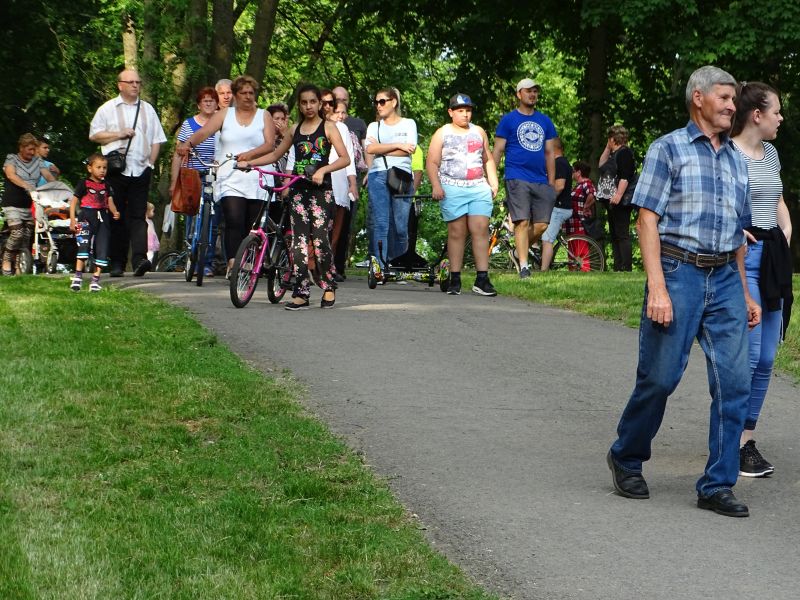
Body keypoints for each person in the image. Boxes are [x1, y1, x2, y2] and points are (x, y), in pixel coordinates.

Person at [606, 66, 761, 518]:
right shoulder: (667, 149)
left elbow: (737, 234)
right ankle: (626, 455)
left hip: (726, 277)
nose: (732, 106)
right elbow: (646, 220)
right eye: (725, 98)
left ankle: (717, 483)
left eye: (734, 99)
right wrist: (657, 287)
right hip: (679, 273)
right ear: (698, 98)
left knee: (735, 383)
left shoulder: (736, 159)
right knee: (659, 378)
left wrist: (745, 293)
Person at [238, 84, 350, 310]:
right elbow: (275, 155)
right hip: (298, 192)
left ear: (319, 104)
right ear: (299, 105)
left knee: (320, 242)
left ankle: (328, 286)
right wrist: (250, 163)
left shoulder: (328, 127)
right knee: (298, 243)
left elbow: (344, 158)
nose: (308, 106)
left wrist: (323, 170)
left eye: (312, 102)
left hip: (321, 193)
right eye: (304, 102)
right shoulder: (294, 130)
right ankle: (301, 292)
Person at [730, 81, 794, 477]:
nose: (781, 118)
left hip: (773, 257)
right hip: (743, 260)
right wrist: (735, 231)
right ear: (757, 115)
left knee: (768, 357)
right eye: (776, 111)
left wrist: (786, 230)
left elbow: (777, 199)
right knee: (750, 356)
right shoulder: (728, 153)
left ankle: (746, 438)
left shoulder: (771, 153)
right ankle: (733, 441)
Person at [177, 75, 275, 277]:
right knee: (233, 219)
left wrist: (250, 155)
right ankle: (233, 263)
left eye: (251, 93)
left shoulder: (264, 115)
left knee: (251, 225)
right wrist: (188, 144)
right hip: (230, 175)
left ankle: (247, 261)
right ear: (236, 95)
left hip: (256, 175)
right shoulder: (224, 115)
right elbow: (204, 132)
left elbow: (269, 145)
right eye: (243, 93)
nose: (247, 96)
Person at [89, 69, 167, 277]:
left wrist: (151, 163)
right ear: (120, 85)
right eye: (130, 82)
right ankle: (117, 262)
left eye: (138, 82)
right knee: (116, 215)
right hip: (116, 170)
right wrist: (118, 134)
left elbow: (157, 139)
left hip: (141, 169)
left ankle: (140, 259)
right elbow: (94, 135)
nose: (135, 85)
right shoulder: (108, 109)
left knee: (139, 215)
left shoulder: (148, 109)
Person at [426, 93, 498, 296]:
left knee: (480, 229)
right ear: (451, 112)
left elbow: (487, 159)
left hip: (477, 186)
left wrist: (493, 181)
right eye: (460, 111)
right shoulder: (442, 133)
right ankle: (455, 278)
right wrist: (436, 185)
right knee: (457, 232)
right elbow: (432, 162)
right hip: (452, 186)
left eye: (468, 110)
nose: (465, 114)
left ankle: (482, 279)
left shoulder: (479, 131)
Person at [492, 78, 557, 279]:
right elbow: (497, 150)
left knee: (542, 224)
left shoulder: (545, 121)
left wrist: (552, 182)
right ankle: (524, 266)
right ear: (519, 94)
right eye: (528, 91)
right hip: (516, 176)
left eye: (535, 91)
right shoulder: (508, 120)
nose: (532, 94)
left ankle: (517, 251)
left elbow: (550, 153)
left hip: (541, 179)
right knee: (522, 221)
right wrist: (491, 179)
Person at [364, 87, 417, 270]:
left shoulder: (408, 123)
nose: (378, 106)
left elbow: (409, 150)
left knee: (401, 226)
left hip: (401, 176)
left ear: (393, 102)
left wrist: (381, 147)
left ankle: (398, 268)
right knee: (381, 223)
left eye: (382, 101)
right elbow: (370, 149)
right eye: (376, 102)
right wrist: (398, 144)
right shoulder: (374, 126)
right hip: (378, 174)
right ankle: (380, 267)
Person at [170, 86, 220, 277]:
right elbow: (178, 152)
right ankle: (190, 254)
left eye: (211, 100)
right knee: (191, 215)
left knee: (212, 219)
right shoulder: (189, 124)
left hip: (214, 174)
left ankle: (206, 262)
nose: (208, 103)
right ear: (199, 104)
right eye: (204, 100)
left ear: (217, 104)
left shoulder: (221, 124)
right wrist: (174, 181)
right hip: (192, 173)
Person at [2, 133, 55, 275]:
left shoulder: (38, 162)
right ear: (21, 147)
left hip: (30, 203)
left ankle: (20, 266)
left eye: (34, 149)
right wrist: (27, 186)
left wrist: (57, 188)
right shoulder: (12, 158)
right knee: (17, 233)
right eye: (29, 149)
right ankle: (6, 260)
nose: (32, 152)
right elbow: (11, 175)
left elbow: (48, 176)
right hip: (12, 203)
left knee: (26, 237)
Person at [68, 153, 120, 292]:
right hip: (86, 217)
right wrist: (73, 220)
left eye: (104, 167)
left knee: (102, 247)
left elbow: (110, 201)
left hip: (102, 218)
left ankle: (95, 280)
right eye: (98, 167)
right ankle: (78, 277)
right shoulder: (83, 183)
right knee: (83, 246)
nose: (102, 170)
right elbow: (73, 202)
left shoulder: (107, 185)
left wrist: (115, 212)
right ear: (90, 168)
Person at [320, 92, 357, 281]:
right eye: (323, 103)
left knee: (335, 228)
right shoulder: (307, 126)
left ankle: (328, 266)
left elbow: (349, 158)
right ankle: (310, 266)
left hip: (339, 181)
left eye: (331, 104)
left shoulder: (342, 128)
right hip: (314, 182)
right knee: (316, 227)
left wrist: (353, 184)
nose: (327, 107)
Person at [596, 125, 636, 271]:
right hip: (612, 200)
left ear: (613, 139)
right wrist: (607, 148)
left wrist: (618, 195)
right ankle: (618, 267)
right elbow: (601, 164)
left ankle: (626, 267)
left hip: (621, 200)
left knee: (622, 234)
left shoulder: (624, 153)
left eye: (609, 139)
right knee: (615, 234)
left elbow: (625, 176)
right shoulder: (614, 154)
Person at [540, 137, 573, 271]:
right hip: (559, 207)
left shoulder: (559, 163)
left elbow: (559, 186)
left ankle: (543, 271)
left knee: (547, 240)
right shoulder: (563, 163)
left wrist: (545, 200)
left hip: (559, 207)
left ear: (554, 149)